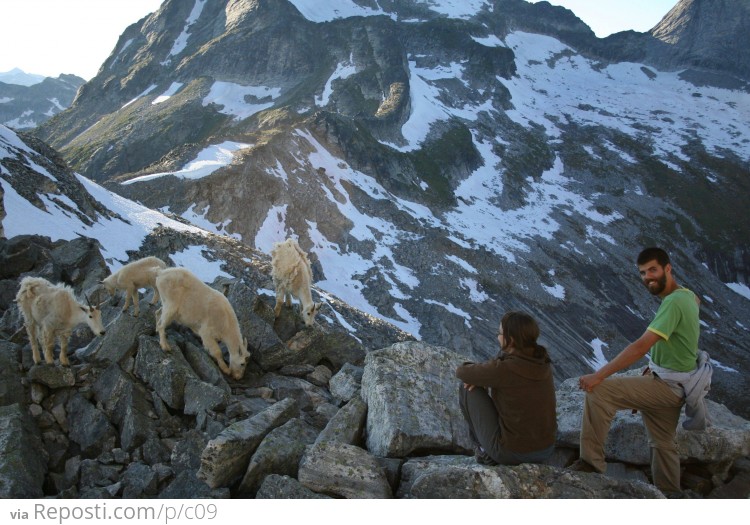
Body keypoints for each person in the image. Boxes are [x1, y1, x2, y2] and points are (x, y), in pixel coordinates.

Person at [572, 247, 711, 494]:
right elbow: (696, 302)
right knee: (662, 443)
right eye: (643, 272)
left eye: (653, 270)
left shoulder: (673, 302)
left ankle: (591, 466)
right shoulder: (687, 296)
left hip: (665, 386)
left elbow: (639, 347)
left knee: (600, 392)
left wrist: (598, 375)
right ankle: (670, 494)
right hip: (678, 384)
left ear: (668, 268)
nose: (648, 277)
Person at [456, 311, 557, 466]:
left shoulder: (506, 369)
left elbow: (462, 372)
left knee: (467, 389)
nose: (498, 337)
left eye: (500, 333)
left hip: (512, 453)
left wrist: (480, 378)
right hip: (547, 449)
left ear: (511, 339)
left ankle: (484, 452)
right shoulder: (542, 361)